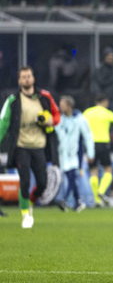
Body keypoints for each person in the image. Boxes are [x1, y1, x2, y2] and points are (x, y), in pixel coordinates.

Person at [0, 66, 61, 228]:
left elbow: (57, 116)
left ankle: (31, 202)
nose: (27, 79)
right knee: (25, 180)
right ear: (19, 80)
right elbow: (3, 124)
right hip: (21, 146)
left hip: (39, 146)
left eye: (29, 76)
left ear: (33, 78)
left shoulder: (45, 97)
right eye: (23, 77)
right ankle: (25, 214)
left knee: (42, 183)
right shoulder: (13, 100)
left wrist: (49, 121)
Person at [83, 94, 113, 207]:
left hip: (90, 145)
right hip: (104, 144)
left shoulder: (87, 113)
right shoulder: (108, 114)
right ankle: (101, 191)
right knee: (108, 170)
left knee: (93, 171)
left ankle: (97, 200)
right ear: (105, 101)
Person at [55, 95, 95, 212]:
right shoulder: (60, 120)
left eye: (63, 105)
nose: (60, 107)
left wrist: (90, 153)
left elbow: (88, 136)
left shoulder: (80, 119)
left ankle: (65, 200)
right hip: (63, 154)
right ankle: (78, 202)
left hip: (76, 153)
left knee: (72, 177)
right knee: (70, 177)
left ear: (70, 106)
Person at [91, 47, 113, 118]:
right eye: (109, 56)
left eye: (112, 57)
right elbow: (99, 82)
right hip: (102, 100)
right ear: (105, 57)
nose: (111, 58)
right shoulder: (99, 70)